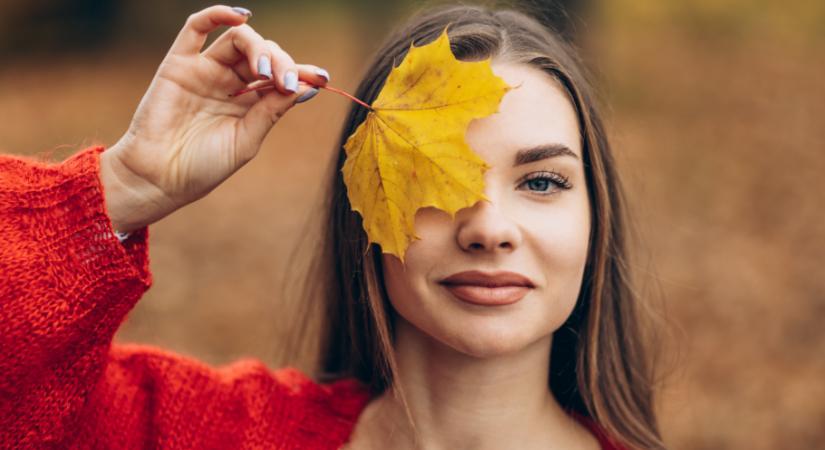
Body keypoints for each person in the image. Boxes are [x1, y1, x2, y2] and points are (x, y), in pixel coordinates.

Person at [0, 3, 665, 449]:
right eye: (430, 181)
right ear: (363, 212)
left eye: (541, 182)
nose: (488, 228)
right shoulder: (221, 432)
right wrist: (123, 187)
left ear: (592, 220)